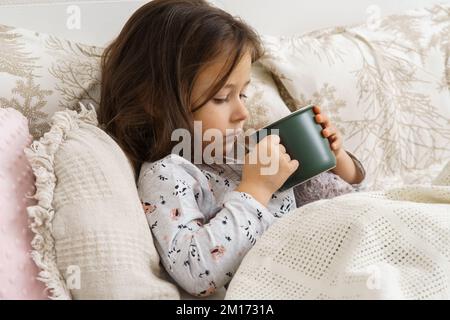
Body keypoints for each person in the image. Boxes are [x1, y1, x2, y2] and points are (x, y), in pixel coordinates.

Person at [98, 0, 366, 298]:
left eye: (243, 93)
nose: (243, 113)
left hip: (349, 243)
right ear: (154, 102)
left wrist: (337, 160)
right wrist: (256, 189)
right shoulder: (167, 175)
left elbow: (341, 198)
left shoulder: (241, 148)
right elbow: (196, 272)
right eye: (222, 98)